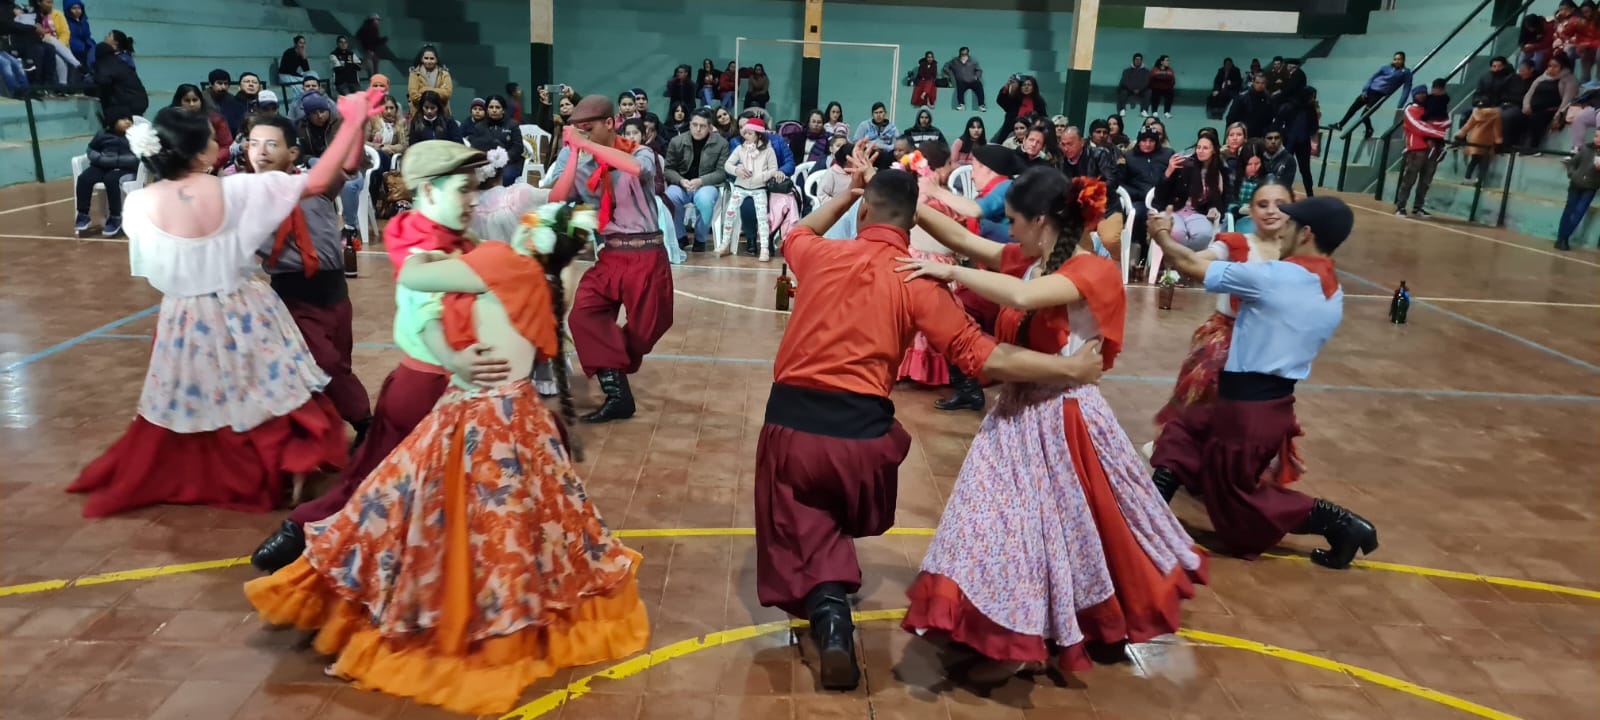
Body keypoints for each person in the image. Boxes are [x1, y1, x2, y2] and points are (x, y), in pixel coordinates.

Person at [244, 203, 648, 716]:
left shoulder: (500, 261)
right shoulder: (549, 272)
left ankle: (440, 626)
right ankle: (498, 621)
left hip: (478, 418)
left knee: (419, 516)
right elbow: (443, 318)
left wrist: (429, 243)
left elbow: (413, 273)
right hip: (517, 413)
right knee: (511, 531)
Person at [756, 141, 1108, 690]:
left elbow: (794, 233)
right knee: (831, 507)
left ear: (864, 210)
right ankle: (830, 602)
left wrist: (849, 194)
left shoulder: (819, 255)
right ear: (912, 220)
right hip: (861, 442)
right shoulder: (917, 278)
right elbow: (981, 355)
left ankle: (828, 615)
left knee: (802, 516)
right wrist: (1069, 369)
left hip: (790, 429)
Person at [898, 167, 1206, 684]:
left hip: (1061, 417)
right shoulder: (1038, 259)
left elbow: (1019, 299)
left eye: (1015, 221)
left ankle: (1023, 636)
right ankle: (1018, 628)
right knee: (1015, 527)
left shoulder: (1091, 271)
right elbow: (963, 239)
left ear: (1042, 220)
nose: (1009, 231)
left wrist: (949, 274)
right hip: (1020, 412)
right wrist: (900, 199)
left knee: (1042, 532)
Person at [68, 90, 384, 518]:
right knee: (270, 391)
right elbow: (317, 179)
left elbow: (149, 269)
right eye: (214, 139)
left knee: (203, 396)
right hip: (243, 309)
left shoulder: (140, 202)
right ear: (201, 153)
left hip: (183, 316)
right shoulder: (236, 191)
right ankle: (285, 468)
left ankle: (211, 472)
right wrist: (352, 120)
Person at [249, 140, 512, 571]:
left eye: (473, 188)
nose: (472, 198)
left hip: (454, 386)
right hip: (426, 387)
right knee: (376, 480)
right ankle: (302, 532)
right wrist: (457, 357)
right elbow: (424, 310)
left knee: (407, 479)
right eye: (461, 189)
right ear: (427, 192)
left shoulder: (459, 238)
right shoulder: (418, 240)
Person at [1147, 196, 1378, 570]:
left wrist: (1159, 232)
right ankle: (1146, 510)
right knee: (1184, 433)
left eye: (1288, 223)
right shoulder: (1332, 289)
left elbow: (1187, 262)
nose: (1279, 228)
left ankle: (1343, 523)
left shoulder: (1278, 277)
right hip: (1263, 402)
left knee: (1237, 503)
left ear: (1306, 233)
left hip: (1248, 409)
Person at [248, 113, 373, 447]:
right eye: (253, 143)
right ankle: (364, 421)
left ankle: (324, 428)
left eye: (271, 144)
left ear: (293, 153)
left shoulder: (314, 185)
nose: (260, 151)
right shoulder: (246, 196)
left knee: (338, 363)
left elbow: (347, 162)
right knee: (325, 363)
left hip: (335, 294)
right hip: (293, 299)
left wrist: (357, 123)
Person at [551, 95, 672, 424]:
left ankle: (613, 364)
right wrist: (574, 153)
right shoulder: (578, 156)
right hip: (611, 254)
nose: (583, 134)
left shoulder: (639, 150)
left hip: (646, 254)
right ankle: (618, 395)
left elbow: (633, 168)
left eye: (589, 128)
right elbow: (555, 198)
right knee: (583, 315)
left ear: (610, 123)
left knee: (648, 330)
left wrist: (586, 146)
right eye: (578, 130)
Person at [1152, 182, 1293, 443]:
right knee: (1206, 399)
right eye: (1263, 205)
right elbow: (1197, 261)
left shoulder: (1296, 253)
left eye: (1281, 205)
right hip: (1225, 339)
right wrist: (1165, 237)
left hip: (1268, 344)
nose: (1271, 211)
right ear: (1250, 211)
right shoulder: (1235, 244)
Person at [664, 108, 729, 252]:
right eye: (694, 125)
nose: (698, 129)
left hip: (706, 184)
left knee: (705, 200)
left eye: (703, 126)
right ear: (690, 124)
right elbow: (668, 169)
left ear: (710, 127)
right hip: (682, 184)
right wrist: (681, 180)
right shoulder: (677, 141)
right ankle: (680, 237)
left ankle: (700, 239)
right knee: (669, 197)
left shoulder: (721, 143)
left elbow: (722, 172)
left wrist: (701, 181)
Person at [74, 111, 139, 237]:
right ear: (112, 121)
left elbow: (140, 155)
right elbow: (91, 149)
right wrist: (100, 159)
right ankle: (83, 214)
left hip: (125, 168)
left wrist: (123, 161)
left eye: (129, 119)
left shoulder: (135, 137)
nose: (128, 122)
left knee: (111, 180)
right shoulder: (102, 135)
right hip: (102, 166)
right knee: (84, 179)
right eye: (123, 119)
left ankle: (115, 217)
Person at [721, 116, 778, 260]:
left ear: (759, 135)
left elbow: (773, 169)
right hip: (741, 186)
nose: (745, 135)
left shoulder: (768, 151)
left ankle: (764, 248)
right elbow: (727, 165)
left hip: (759, 188)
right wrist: (737, 171)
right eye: (745, 132)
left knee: (762, 218)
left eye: (750, 133)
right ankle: (725, 243)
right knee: (730, 213)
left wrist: (761, 176)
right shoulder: (740, 149)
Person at [1395, 85, 1450, 218]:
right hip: (1416, 150)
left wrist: (1436, 130)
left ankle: (1418, 208)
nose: (1422, 95)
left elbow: (1446, 122)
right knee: (1409, 180)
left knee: (1425, 182)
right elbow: (1419, 127)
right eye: (1419, 94)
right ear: (1414, 95)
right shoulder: (1410, 109)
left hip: (1433, 150)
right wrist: (1438, 132)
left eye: (1424, 93)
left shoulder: (1432, 108)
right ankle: (1401, 207)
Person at [1330, 52, 1412, 136]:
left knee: (1364, 114)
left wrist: (1401, 104)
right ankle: (1340, 124)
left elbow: (1407, 88)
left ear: (1403, 60)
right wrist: (1365, 91)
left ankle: (1369, 129)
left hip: (1379, 95)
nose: (1397, 61)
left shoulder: (1405, 72)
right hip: (1369, 91)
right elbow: (1372, 78)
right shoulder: (1385, 68)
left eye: (1399, 59)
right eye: (1395, 59)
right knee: (1353, 108)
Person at [1557, 127, 1600, 250]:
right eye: (1596, 136)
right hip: (1576, 184)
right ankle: (1562, 239)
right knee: (1569, 211)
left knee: (1578, 213)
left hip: (1591, 187)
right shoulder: (1586, 149)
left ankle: (1563, 238)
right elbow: (1572, 163)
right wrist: (1572, 174)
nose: (1597, 139)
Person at [944, 46, 985, 111]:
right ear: (959, 53)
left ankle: (981, 105)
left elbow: (979, 70)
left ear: (968, 53)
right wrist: (949, 72)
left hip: (972, 81)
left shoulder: (973, 61)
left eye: (965, 54)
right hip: (961, 81)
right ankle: (961, 105)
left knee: (979, 87)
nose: (964, 56)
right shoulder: (954, 61)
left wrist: (976, 77)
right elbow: (946, 66)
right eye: (962, 54)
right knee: (959, 87)